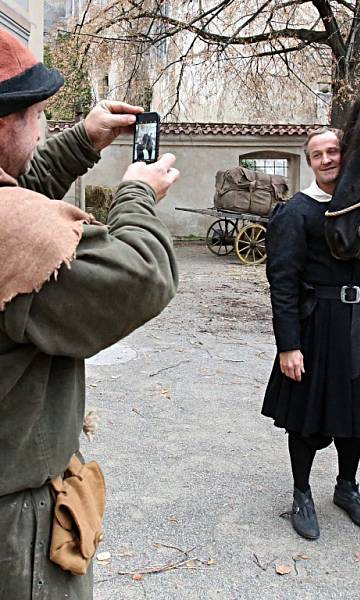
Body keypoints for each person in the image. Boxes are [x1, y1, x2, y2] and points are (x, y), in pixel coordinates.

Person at [0, 30, 180, 599]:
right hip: (14, 528)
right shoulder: (13, 231)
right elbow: (140, 276)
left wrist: (84, 139)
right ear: (4, 126)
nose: (43, 126)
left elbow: (15, 189)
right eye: (37, 116)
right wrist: (136, 195)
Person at [262, 127, 360, 540]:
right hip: (315, 324)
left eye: (333, 151)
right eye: (318, 154)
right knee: (307, 418)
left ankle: (347, 487)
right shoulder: (296, 213)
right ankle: (302, 494)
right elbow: (282, 283)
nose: (327, 159)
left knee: (356, 414)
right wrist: (288, 345)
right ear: (310, 163)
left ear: (345, 156)